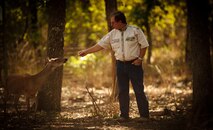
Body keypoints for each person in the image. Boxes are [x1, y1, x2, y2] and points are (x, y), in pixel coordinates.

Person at [78, 11, 149, 120]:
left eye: (113, 22)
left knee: (138, 90)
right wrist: (86, 51)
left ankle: (144, 116)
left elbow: (144, 45)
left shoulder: (135, 30)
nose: (111, 25)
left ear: (120, 21)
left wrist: (140, 59)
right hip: (120, 65)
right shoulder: (112, 34)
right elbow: (100, 45)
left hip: (134, 64)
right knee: (122, 91)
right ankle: (124, 116)